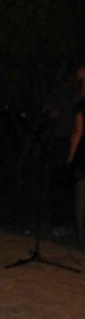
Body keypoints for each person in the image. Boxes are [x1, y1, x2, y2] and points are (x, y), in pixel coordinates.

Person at [68, 65, 85, 238]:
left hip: (83, 152)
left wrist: (71, 156)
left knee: (81, 192)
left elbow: (78, 132)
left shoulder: (81, 105)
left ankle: (80, 231)